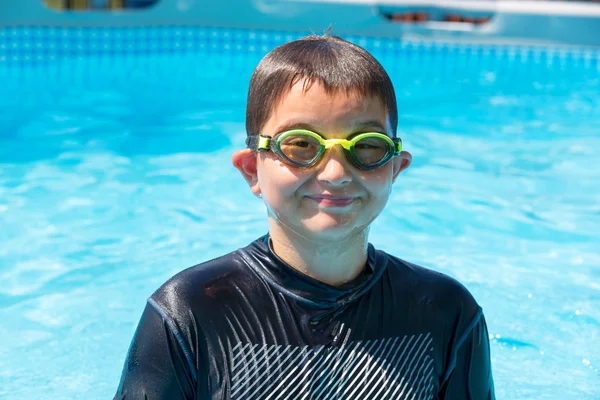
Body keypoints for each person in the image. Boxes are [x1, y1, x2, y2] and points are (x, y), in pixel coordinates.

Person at [114, 34, 495, 399]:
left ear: (396, 168)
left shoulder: (445, 314)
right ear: (251, 170)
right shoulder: (191, 312)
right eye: (300, 145)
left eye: (366, 147)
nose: (336, 173)